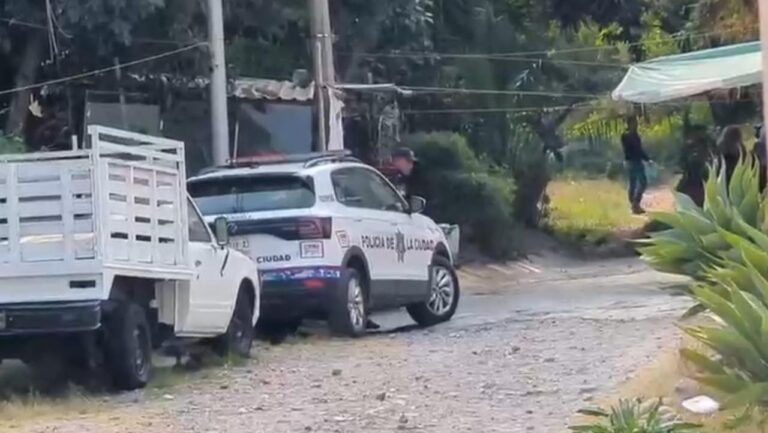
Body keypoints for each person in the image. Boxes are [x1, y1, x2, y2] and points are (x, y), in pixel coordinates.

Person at [621, 117, 652, 214]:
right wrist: (646, 159)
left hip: (633, 161)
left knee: (633, 183)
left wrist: (647, 158)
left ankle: (634, 205)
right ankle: (635, 203)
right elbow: (636, 149)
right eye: (634, 123)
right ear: (629, 124)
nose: (636, 125)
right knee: (641, 182)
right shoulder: (627, 135)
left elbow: (639, 149)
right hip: (633, 161)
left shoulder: (633, 135)